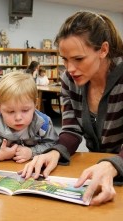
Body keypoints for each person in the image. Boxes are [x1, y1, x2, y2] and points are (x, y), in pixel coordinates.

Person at [20, 11, 123, 206]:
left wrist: (113, 165)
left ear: (103, 50)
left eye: (78, 59)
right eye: (65, 59)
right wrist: (55, 152)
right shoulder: (69, 80)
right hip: (99, 170)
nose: (69, 68)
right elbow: (71, 130)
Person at [0, 72, 59, 163]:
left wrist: (32, 152)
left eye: (25, 110)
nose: (18, 118)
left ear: (35, 105)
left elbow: (54, 145)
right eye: (10, 111)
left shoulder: (43, 123)